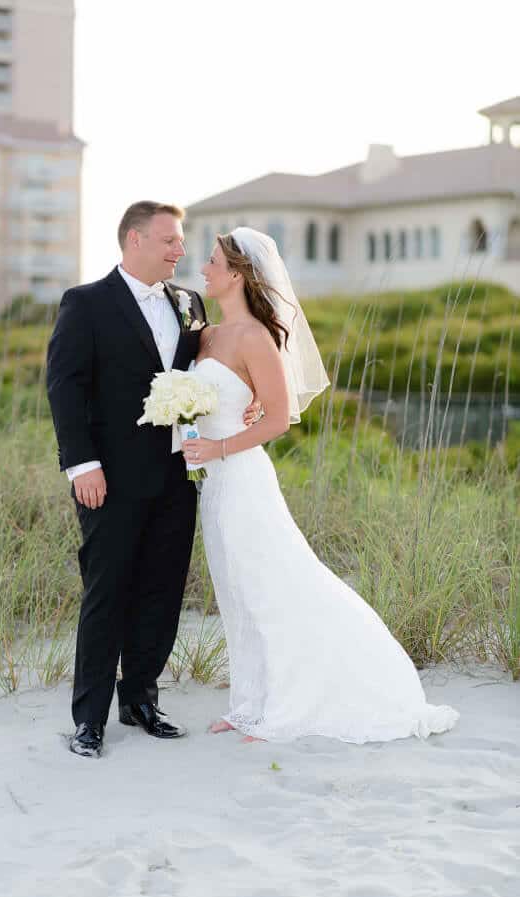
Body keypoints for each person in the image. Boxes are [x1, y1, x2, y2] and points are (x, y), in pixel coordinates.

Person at [180, 227, 458, 744]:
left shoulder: (256, 339)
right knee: (234, 592)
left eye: (214, 261)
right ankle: (247, 703)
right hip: (212, 487)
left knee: (268, 588)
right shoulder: (208, 333)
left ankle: (284, 708)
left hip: (242, 480)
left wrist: (218, 448)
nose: (204, 268)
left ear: (238, 275)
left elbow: (278, 420)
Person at [45, 201, 213, 759]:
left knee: (162, 591)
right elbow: (64, 385)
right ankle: (88, 720)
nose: (180, 250)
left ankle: (141, 699)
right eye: (169, 240)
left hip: (175, 472)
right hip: (109, 478)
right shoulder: (87, 303)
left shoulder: (189, 304)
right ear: (134, 240)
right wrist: (81, 463)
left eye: (181, 241)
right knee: (106, 592)